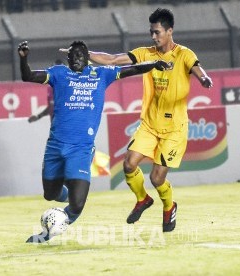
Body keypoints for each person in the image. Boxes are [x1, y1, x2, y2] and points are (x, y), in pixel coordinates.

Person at [18, 40, 170, 243]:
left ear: (88, 57)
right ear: (68, 59)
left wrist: (153, 64)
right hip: (55, 146)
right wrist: (23, 58)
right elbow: (28, 76)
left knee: (77, 204)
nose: (76, 59)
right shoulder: (59, 73)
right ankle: (67, 186)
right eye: (72, 56)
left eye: (80, 55)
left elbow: (131, 69)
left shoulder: (101, 74)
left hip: (81, 149)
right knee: (49, 194)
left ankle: (49, 232)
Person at [89, 8, 213, 232]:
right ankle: (142, 199)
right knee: (128, 164)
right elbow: (113, 59)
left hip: (174, 129)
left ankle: (169, 206)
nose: (154, 37)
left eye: (157, 32)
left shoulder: (184, 54)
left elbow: (198, 70)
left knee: (157, 178)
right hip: (149, 124)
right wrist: (85, 53)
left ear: (169, 31)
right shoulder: (147, 53)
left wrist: (204, 80)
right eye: (151, 33)